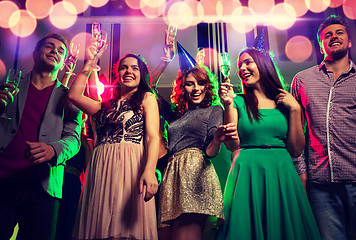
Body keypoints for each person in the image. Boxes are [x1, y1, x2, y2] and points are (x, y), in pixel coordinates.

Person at [217, 47, 321, 240]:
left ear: (264, 65)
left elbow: (296, 150)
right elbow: (232, 145)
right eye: (240, 65)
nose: (242, 68)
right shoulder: (238, 101)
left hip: (281, 171)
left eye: (248, 62)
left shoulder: (286, 103)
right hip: (248, 171)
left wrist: (296, 109)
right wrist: (228, 104)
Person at [69, 39, 160, 239]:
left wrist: (149, 171)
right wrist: (90, 63)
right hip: (101, 168)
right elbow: (74, 95)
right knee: (100, 229)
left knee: (125, 230)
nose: (128, 71)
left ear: (141, 74)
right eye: (123, 68)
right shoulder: (103, 105)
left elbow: (153, 137)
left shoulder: (147, 98)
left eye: (134, 68)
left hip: (131, 166)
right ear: (117, 74)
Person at [0, 33, 82, 240]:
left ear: (64, 64)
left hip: (43, 187)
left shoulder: (71, 98)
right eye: (49, 46)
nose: (55, 51)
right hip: (3, 181)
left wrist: (54, 149)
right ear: (35, 54)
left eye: (61, 50)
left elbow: (74, 139)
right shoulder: (10, 85)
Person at [291, 15, 356, 240]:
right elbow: (295, 129)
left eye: (339, 33)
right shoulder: (302, 80)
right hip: (320, 184)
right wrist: (301, 171)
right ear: (321, 44)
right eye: (327, 35)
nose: (334, 37)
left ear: (349, 41)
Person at [158, 65, 236, 240]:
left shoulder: (214, 110)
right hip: (171, 176)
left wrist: (216, 140)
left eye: (201, 83)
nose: (196, 89)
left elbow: (210, 153)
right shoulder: (176, 114)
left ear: (207, 86)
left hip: (195, 174)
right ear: (182, 88)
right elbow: (150, 92)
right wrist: (165, 60)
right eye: (190, 84)